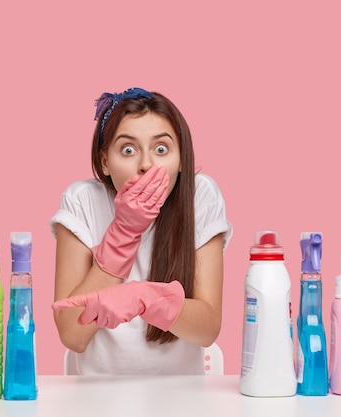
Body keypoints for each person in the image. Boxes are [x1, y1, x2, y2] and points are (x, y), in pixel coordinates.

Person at [50, 88, 232, 374]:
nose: (146, 165)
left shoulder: (201, 197)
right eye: (128, 150)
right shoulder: (82, 201)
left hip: (183, 398)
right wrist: (123, 234)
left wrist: (144, 297)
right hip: (99, 398)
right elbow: (73, 335)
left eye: (161, 149)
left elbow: (208, 329)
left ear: (182, 159)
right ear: (104, 162)